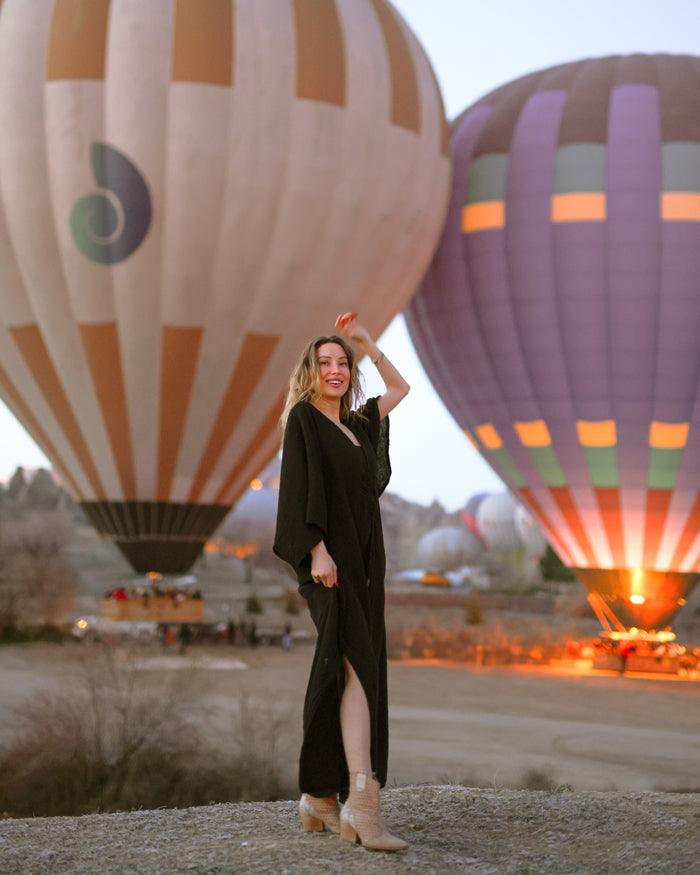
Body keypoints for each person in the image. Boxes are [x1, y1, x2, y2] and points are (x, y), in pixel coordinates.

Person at [273, 312, 410, 852]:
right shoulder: (304, 421)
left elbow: (401, 388)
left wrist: (369, 345)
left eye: (341, 363)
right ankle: (362, 797)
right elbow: (296, 490)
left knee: (349, 668)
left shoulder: (357, 425)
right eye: (325, 363)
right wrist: (316, 550)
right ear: (310, 371)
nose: (334, 371)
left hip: (364, 565)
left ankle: (319, 801)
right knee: (358, 668)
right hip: (328, 566)